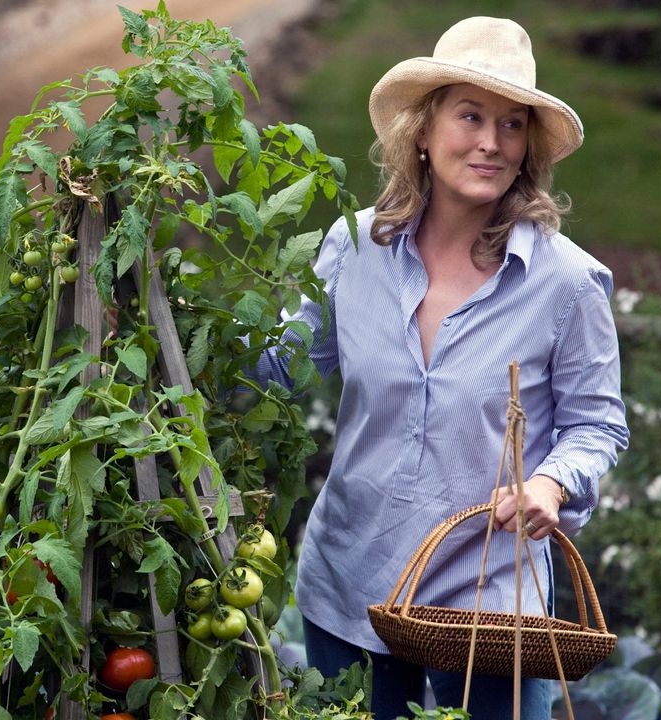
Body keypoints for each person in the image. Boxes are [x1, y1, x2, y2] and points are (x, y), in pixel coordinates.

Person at [251, 16, 629, 720]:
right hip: (351, 581)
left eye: (512, 125)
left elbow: (596, 425)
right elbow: (276, 369)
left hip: (490, 608)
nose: (491, 142)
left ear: (528, 150)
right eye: (470, 116)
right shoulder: (352, 248)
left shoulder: (567, 283)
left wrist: (550, 482)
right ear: (422, 131)